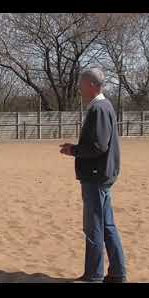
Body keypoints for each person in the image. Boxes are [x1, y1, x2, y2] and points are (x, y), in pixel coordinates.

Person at [60, 67, 127, 283]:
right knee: (107, 225)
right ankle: (117, 272)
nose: (79, 88)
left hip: (96, 176)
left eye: (81, 84)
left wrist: (74, 150)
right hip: (103, 174)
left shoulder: (98, 108)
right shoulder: (105, 106)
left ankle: (94, 274)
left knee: (94, 226)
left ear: (91, 85)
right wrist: (77, 147)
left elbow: (98, 145)